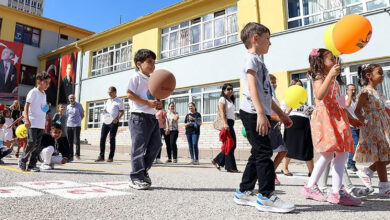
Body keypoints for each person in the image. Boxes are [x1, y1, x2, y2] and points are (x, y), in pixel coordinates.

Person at [233, 22, 295, 213]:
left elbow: (267, 95)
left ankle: (243, 191)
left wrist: (282, 114)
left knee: (258, 151)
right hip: (252, 112)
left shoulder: (259, 62)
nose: (270, 43)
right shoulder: (251, 59)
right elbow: (251, 88)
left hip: (258, 111)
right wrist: (261, 113)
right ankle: (266, 196)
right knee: (264, 152)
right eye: (268, 39)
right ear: (255, 38)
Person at [301, 48, 362, 206]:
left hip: (337, 118)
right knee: (328, 155)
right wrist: (330, 75)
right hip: (325, 118)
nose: (335, 61)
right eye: (331, 59)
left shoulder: (334, 81)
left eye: (335, 59)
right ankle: (313, 187)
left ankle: (336, 191)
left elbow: (340, 104)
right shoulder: (319, 77)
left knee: (341, 153)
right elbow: (320, 95)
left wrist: (352, 119)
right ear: (320, 62)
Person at [127, 49, 162, 190]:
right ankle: (135, 177)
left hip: (152, 117)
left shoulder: (152, 79)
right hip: (138, 117)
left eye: (154, 62)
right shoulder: (136, 77)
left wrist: (158, 104)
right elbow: (129, 94)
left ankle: (142, 171)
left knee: (156, 145)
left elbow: (154, 99)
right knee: (138, 148)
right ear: (139, 64)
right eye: (149, 62)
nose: (153, 65)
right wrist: (147, 103)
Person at [354, 64, 390, 197]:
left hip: (384, 125)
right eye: (379, 72)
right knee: (381, 156)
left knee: (386, 154)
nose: (382, 75)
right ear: (369, 76)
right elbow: (357, 110)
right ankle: (384, 187)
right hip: (374, 126)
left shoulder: (378, 93)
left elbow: (384, 110)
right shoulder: (365, 92)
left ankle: (367, 171)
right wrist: (362, 120)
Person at [19, 71, 51, 172]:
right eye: (45, 82)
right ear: (39, 81)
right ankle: (23, 159)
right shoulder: (33, 92)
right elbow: (26, 106)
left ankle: (32, 165)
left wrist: (46, 109)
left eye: (48, 82)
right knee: (32, 142)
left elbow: (42, 107)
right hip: (32, 122)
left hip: (41, 123)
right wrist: (26, 119)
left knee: (37, 146)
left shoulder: (44, 94)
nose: (47, 84)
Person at [281, 79, 314, 177]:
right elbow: (283, 112)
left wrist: (311, 110)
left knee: (307, 147)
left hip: (305, 123)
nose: (299, 88)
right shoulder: (287, 98)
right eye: (297, 86)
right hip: (292, 123)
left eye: (301, 86)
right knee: (290, 146)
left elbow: (307, 111)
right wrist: (289, 108)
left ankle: (312, 171)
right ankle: (285, 168)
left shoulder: (304, 99)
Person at [211, 83, 239, 172]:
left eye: (231, 89)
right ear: (224, 90)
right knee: (231, 144)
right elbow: (222, 112)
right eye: (228, 89)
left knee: (230, 144)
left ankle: (216, 160)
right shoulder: (222, 99)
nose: (231, 90)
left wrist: (238, 115)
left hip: (231, 123)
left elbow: (230, 113)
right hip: (227, 123)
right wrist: (225, 124)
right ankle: (230, 167)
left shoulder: (230, 100)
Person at [268, 74, 288, 185]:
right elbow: (261, 114)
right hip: (268, 125)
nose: (274, 84)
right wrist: (276, 118)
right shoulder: (264, 95)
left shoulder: (274, 96)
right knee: (267, 153)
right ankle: (267, 175)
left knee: (283, 150)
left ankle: (270, 173)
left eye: (275, 82)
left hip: (276, 126)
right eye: (271, 82)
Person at [95, 86, 124, 162]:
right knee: (102, 138)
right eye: (108, 93)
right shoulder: (108, 100)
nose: (109, 94)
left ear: (115, 92)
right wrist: (104, 112)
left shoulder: (119, 101)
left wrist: (117, 119)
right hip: (106, 121)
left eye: (110, 92)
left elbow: (122, 112)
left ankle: (111, 157)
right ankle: (101, 156)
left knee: (112, 139)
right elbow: (105, 110)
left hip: (114, 122)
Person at [345, 84, 359, 172]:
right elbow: (346, 106)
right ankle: (350, 164)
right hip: (350, 126)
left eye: (354, 90)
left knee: (357, 145)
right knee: (355, 144)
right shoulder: (344, 98)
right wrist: (349, 95)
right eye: (351, 90)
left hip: (357, 125)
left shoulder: (355, 99)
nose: (353, 92)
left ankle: (352, 163)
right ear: (347, 90)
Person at [66, 94, 84, 161]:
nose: (72, 99)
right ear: (69, 99)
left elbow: (82, 115)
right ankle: (71, 155)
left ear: (75, 98)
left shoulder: (79, 105)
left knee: (77, 141)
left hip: (76, 126)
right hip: (69, 125)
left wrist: (78, 121)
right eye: (70, 98)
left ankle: (77, 155)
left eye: (73, 98)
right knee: (69, 141)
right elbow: (66, 116)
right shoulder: (67, 107)